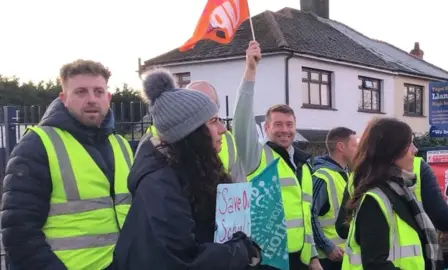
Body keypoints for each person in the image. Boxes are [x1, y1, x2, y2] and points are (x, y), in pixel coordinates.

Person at [112, 70, 260, 269]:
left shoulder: (190, 172)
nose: (223, 129)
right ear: (192, 132)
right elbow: (180, 261)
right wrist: (239, 250)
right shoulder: (160, 186)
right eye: (213, 121)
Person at [1, 60, 133, 270]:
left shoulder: (121, 145)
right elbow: (18, 230)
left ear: (108, 97)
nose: (92, 99)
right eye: (81, 92)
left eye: (98, 91)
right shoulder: (38, 144)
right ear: (63, 98)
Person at [233, 40, 322, 270]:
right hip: (267, 260)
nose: (284, 130)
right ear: (266, 128)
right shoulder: (257, 156)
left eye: (289, 124)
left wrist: (313, 256)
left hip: (299, 261)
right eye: (278, 125)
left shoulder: (303, 164)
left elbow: (305, 216)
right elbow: (241, 121)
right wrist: (251, 70)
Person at [342, 118, 442, 270]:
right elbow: (375, 264)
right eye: (409, 145)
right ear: (392, 152)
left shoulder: (402, 191)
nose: (414, 150)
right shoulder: (374, 200)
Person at [335, 151, 448, 241]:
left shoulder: (357, 173)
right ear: (394, 147)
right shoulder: (419, 166)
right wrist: (447, 227)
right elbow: (437, 208)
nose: (415, 149)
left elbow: (342, 227)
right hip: (412, 256)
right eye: (408, 144)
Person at [139, 80, 245, 182]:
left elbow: (238, 184)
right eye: (212, 120)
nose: (223, 129)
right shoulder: (162, 183)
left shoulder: (227, 141)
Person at [311, 127, 357, 270]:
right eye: (354, 146)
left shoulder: (346, 175)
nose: (358, 151)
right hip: (328, 259)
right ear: (341, 147)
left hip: (344, 256)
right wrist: (327, 247)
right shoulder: (322, 176)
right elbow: (308, 215)